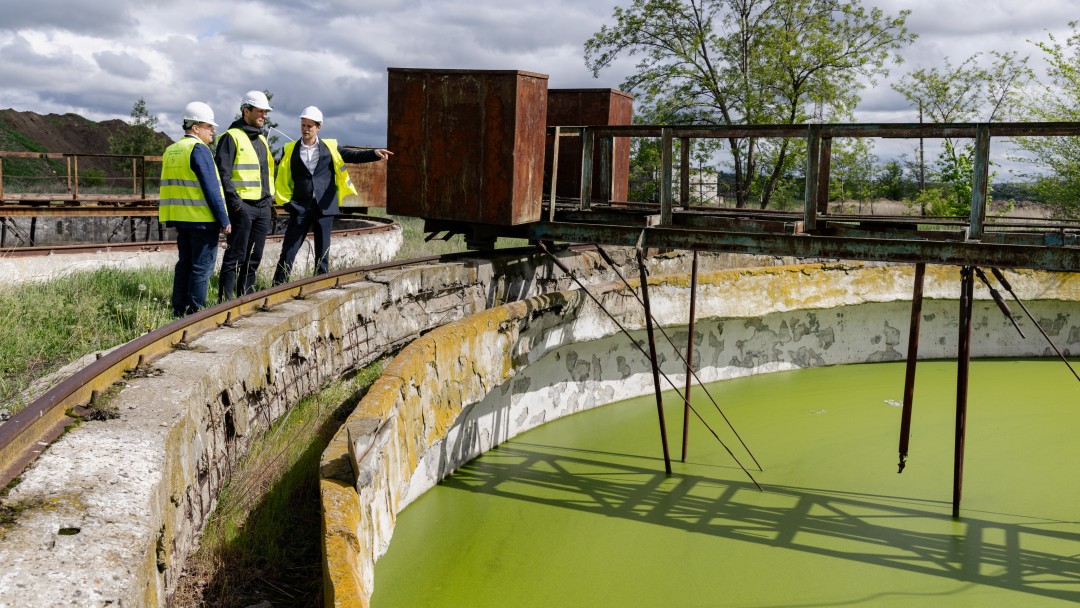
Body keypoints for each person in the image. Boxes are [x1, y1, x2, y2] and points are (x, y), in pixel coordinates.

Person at [271, 106, 392, 284]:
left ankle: (320, 284)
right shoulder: (289, 149)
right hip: (300, 207)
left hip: (324, 207)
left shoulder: (331, 147)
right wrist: (290, 205)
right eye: (303, 125)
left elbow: (353, 156)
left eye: (309, 126)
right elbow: (283, 176)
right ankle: (279, 285)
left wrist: (374, 154)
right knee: (289, 249)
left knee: (323, 251)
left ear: (318, 127)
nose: (305, 129)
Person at [159, 101, 231, 317]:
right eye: (209, 126)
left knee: (184, 265)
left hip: (180, 218)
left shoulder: (172, 150)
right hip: (201, 219)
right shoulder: (199, 150)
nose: (213, 131)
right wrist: (224, 219)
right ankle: (197, 313)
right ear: (195, 128)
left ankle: (178, 310)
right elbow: (211, 188)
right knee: (201, 268)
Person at [216, 90, 275, 301]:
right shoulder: (230, 137)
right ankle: (226, 302)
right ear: (245, 110)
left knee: (254, 257)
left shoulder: (261, 139)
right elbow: (223, 174)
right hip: (243, 207)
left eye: (265, 111)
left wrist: (268, 203)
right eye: (260, 111)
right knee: (235, 256)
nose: (264, 115)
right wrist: (237, 205)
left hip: (262, 207)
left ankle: (246, 298)